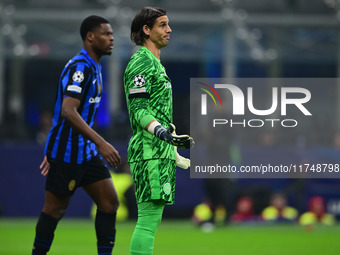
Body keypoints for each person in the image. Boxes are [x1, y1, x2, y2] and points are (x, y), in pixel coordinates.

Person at [32, 15, 121, 255]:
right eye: (106, 34)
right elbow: (68, 111)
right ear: (90, 37)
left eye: (112, 34)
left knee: (109, 202)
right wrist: (101, 143)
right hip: (67, 152)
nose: (111, 38)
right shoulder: (80, 68)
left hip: (86, 152)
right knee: (54, 210)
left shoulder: (95, 66)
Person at [123, 7, 194, 255]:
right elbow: (139, 110)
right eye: (163, 25)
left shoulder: (155, 63)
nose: (169, 29)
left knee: (151, 222)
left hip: (159, 151)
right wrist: (165, 136)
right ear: (146, 30)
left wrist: (171, 148)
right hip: (149, 151)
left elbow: (156, 110)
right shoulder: (141, 61)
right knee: (147, 222)